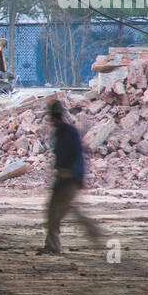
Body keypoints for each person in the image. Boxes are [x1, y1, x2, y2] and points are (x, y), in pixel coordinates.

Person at [40, 99, 103, 254]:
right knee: (56, 212)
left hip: (69, 180)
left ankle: (95, 235)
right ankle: (94, 234)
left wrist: (75, 176)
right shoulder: (61, 132)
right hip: (63, 179)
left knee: (56, 214)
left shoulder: (68, 133)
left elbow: (77, 155)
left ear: (55, 116)